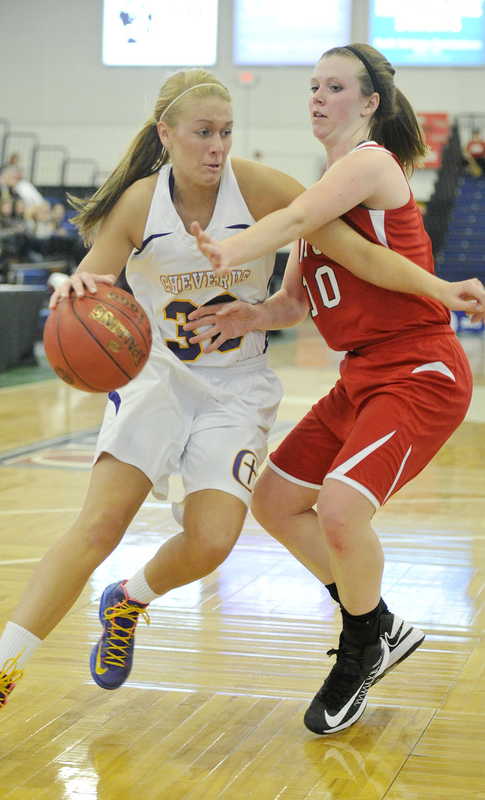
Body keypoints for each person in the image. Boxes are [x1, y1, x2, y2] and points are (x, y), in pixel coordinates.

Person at [0, 67, 484, 771]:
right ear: (166, 134)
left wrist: (440, 288)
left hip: (236, 390)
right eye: (203, 132)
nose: (217, 146)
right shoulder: (140, 203)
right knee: (98, 525)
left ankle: (127, 601)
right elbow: (92, 279)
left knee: (215, 540)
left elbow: (363, 256)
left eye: (227, 132)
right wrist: (72, 288)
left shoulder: (266, 191)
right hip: (157, 380)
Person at [189, 44, 485, 736]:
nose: (318, 97)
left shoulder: (371, 165)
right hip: (360, 375)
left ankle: (359, 649)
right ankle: (377, 622)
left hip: (418, 370)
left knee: (343, 509)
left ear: (371, 103)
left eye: (335, 87)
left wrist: (230, 249)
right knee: (274, 500)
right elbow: (297, 303)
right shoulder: (329, 182)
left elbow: (292, 221)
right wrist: (249, 313)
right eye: (313, 86)